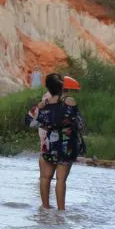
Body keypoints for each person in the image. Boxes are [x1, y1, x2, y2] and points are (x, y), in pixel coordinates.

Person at [35, 74, 84, 210]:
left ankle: (45, 209)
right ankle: (61, 212)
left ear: (47, 87)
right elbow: (79, 123)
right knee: (61, 179)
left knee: (45, 177)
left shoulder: (44, 104)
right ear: (62, 86)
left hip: (49, 144)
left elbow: (30, 121)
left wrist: (39, 107)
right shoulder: (70, 101)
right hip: (66, 145)